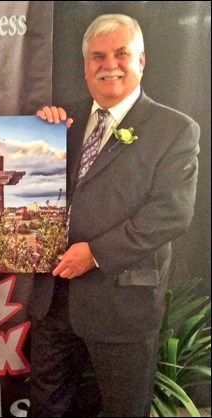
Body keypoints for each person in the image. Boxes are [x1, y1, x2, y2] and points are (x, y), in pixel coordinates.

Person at [29, 14, 200, 417]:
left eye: (121, 54)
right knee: (46, 407)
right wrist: (39, 135)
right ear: (85, 65)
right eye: (97, 56)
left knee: (124, 410)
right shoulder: (60, 123)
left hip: (123, 302)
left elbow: (171, 213)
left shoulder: (174, 129)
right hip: (52, 300)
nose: (109, 65)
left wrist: (96, 253)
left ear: (141, 60)